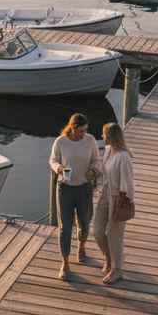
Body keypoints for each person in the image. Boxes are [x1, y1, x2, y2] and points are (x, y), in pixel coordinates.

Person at [49, 113, 100, 280]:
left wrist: (93, 170)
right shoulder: (61, 141)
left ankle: (81, 246)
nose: (84, 134)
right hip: (65, 188)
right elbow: (53, 160)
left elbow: (96, 160)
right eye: (81, 131)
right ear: (72, 128)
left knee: (84, 221)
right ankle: (65, 262)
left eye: (85, 130)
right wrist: (60, 169)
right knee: (65, 226)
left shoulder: (90, 140)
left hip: (84, 187)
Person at [93, 122, 134, 285]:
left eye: (104, 135)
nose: (102, 137)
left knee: (114, 235)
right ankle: (108, 257)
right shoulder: (109, 150)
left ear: (110, 137)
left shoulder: (124, 157)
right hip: (105, 195)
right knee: (97, 231)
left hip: (118, 198)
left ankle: (116, 270)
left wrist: (122, 202)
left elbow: (128, 185)